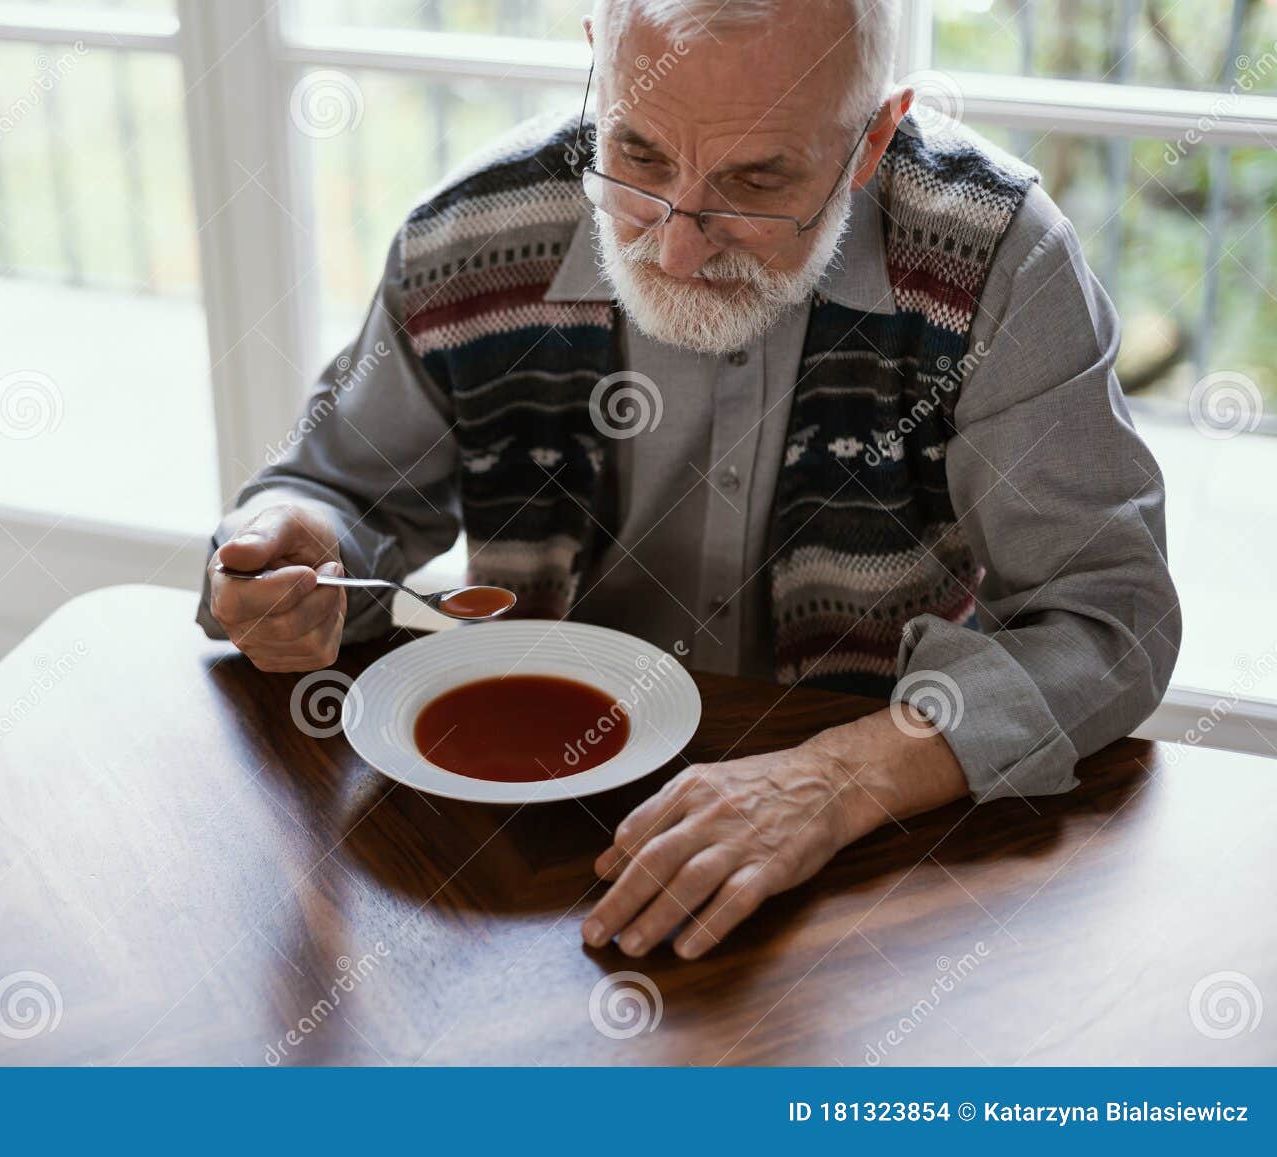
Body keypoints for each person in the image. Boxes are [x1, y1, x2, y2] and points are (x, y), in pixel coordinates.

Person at [198, 0, 1180, 960]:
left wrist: (839, 777)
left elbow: (1106, 618)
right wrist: (294, 538)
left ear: (873, 139)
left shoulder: (998, 261)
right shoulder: (466, 234)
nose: (673, 244)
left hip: (869, 863)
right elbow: (331, 490)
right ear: (598, 63)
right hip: (521, 834)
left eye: (756, 179)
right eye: (637, 156)